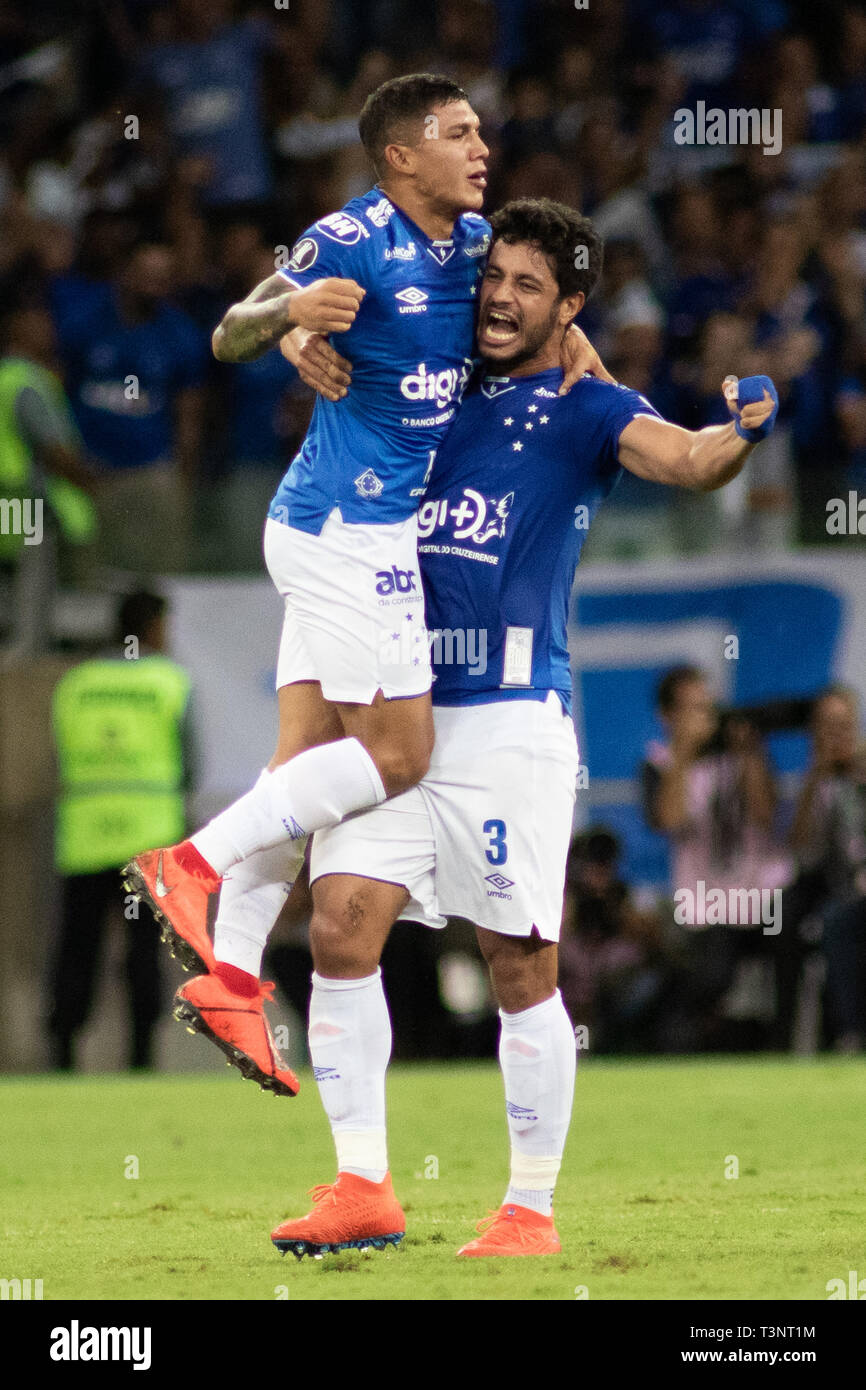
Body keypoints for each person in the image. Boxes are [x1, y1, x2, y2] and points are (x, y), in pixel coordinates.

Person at [252, 197, 778, 1258]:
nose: (497, 297)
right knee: (342, 925)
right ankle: (363, 1187)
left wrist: (742, 430)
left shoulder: (587, 405)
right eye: (493, 277)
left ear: (570, 306)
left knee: (517, 964)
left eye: (529, 286)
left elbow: (683, 460)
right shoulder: (430, 378)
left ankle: (527, 1209)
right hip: (394, 704)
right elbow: (294, 326)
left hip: (508, 719)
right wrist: (302, 337)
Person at [123, 74, 603, 1095]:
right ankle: (192, 866)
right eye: (459, 133)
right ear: (399, 156)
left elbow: (522, 310)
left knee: (303, 759)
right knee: (397, 754)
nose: (483, 145)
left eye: (481, 128)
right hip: (350, 529)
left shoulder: (474, 247)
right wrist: (290, 317)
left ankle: (233, 980)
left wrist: (572, 335)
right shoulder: (346, 238)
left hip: (338, 528)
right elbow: (227, 334)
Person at [48, 591, 194, 1070]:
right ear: (154, 627)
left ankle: (63, 1055)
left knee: (77, 950)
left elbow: (58, 758)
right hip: (147, 841)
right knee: (142, 956)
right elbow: (190, 765)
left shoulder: (76, 684)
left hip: (85, 838)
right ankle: (141, 1057)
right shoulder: (169, 682)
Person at [641, 666, 793, 1049]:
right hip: (706, 902)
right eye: (691, 709)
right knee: (711, 973)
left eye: (707, 708)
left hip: (764, 893)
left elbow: (765, 816)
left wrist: (751, 755)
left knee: (790, 945)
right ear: (667, 716)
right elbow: (670, 820)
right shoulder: (659, 762)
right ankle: (675, 1042)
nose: (704, 718)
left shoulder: (740, 751)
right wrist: (686, 752)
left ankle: (788, 1048)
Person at [790, 686, 866, 1050]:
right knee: (835, 921)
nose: (838, 736)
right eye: (828, 727)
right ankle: (849, 1034)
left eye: (844, 725)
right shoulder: (819, 786)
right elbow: (803, 853)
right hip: (844, 895)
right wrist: (816, 777)